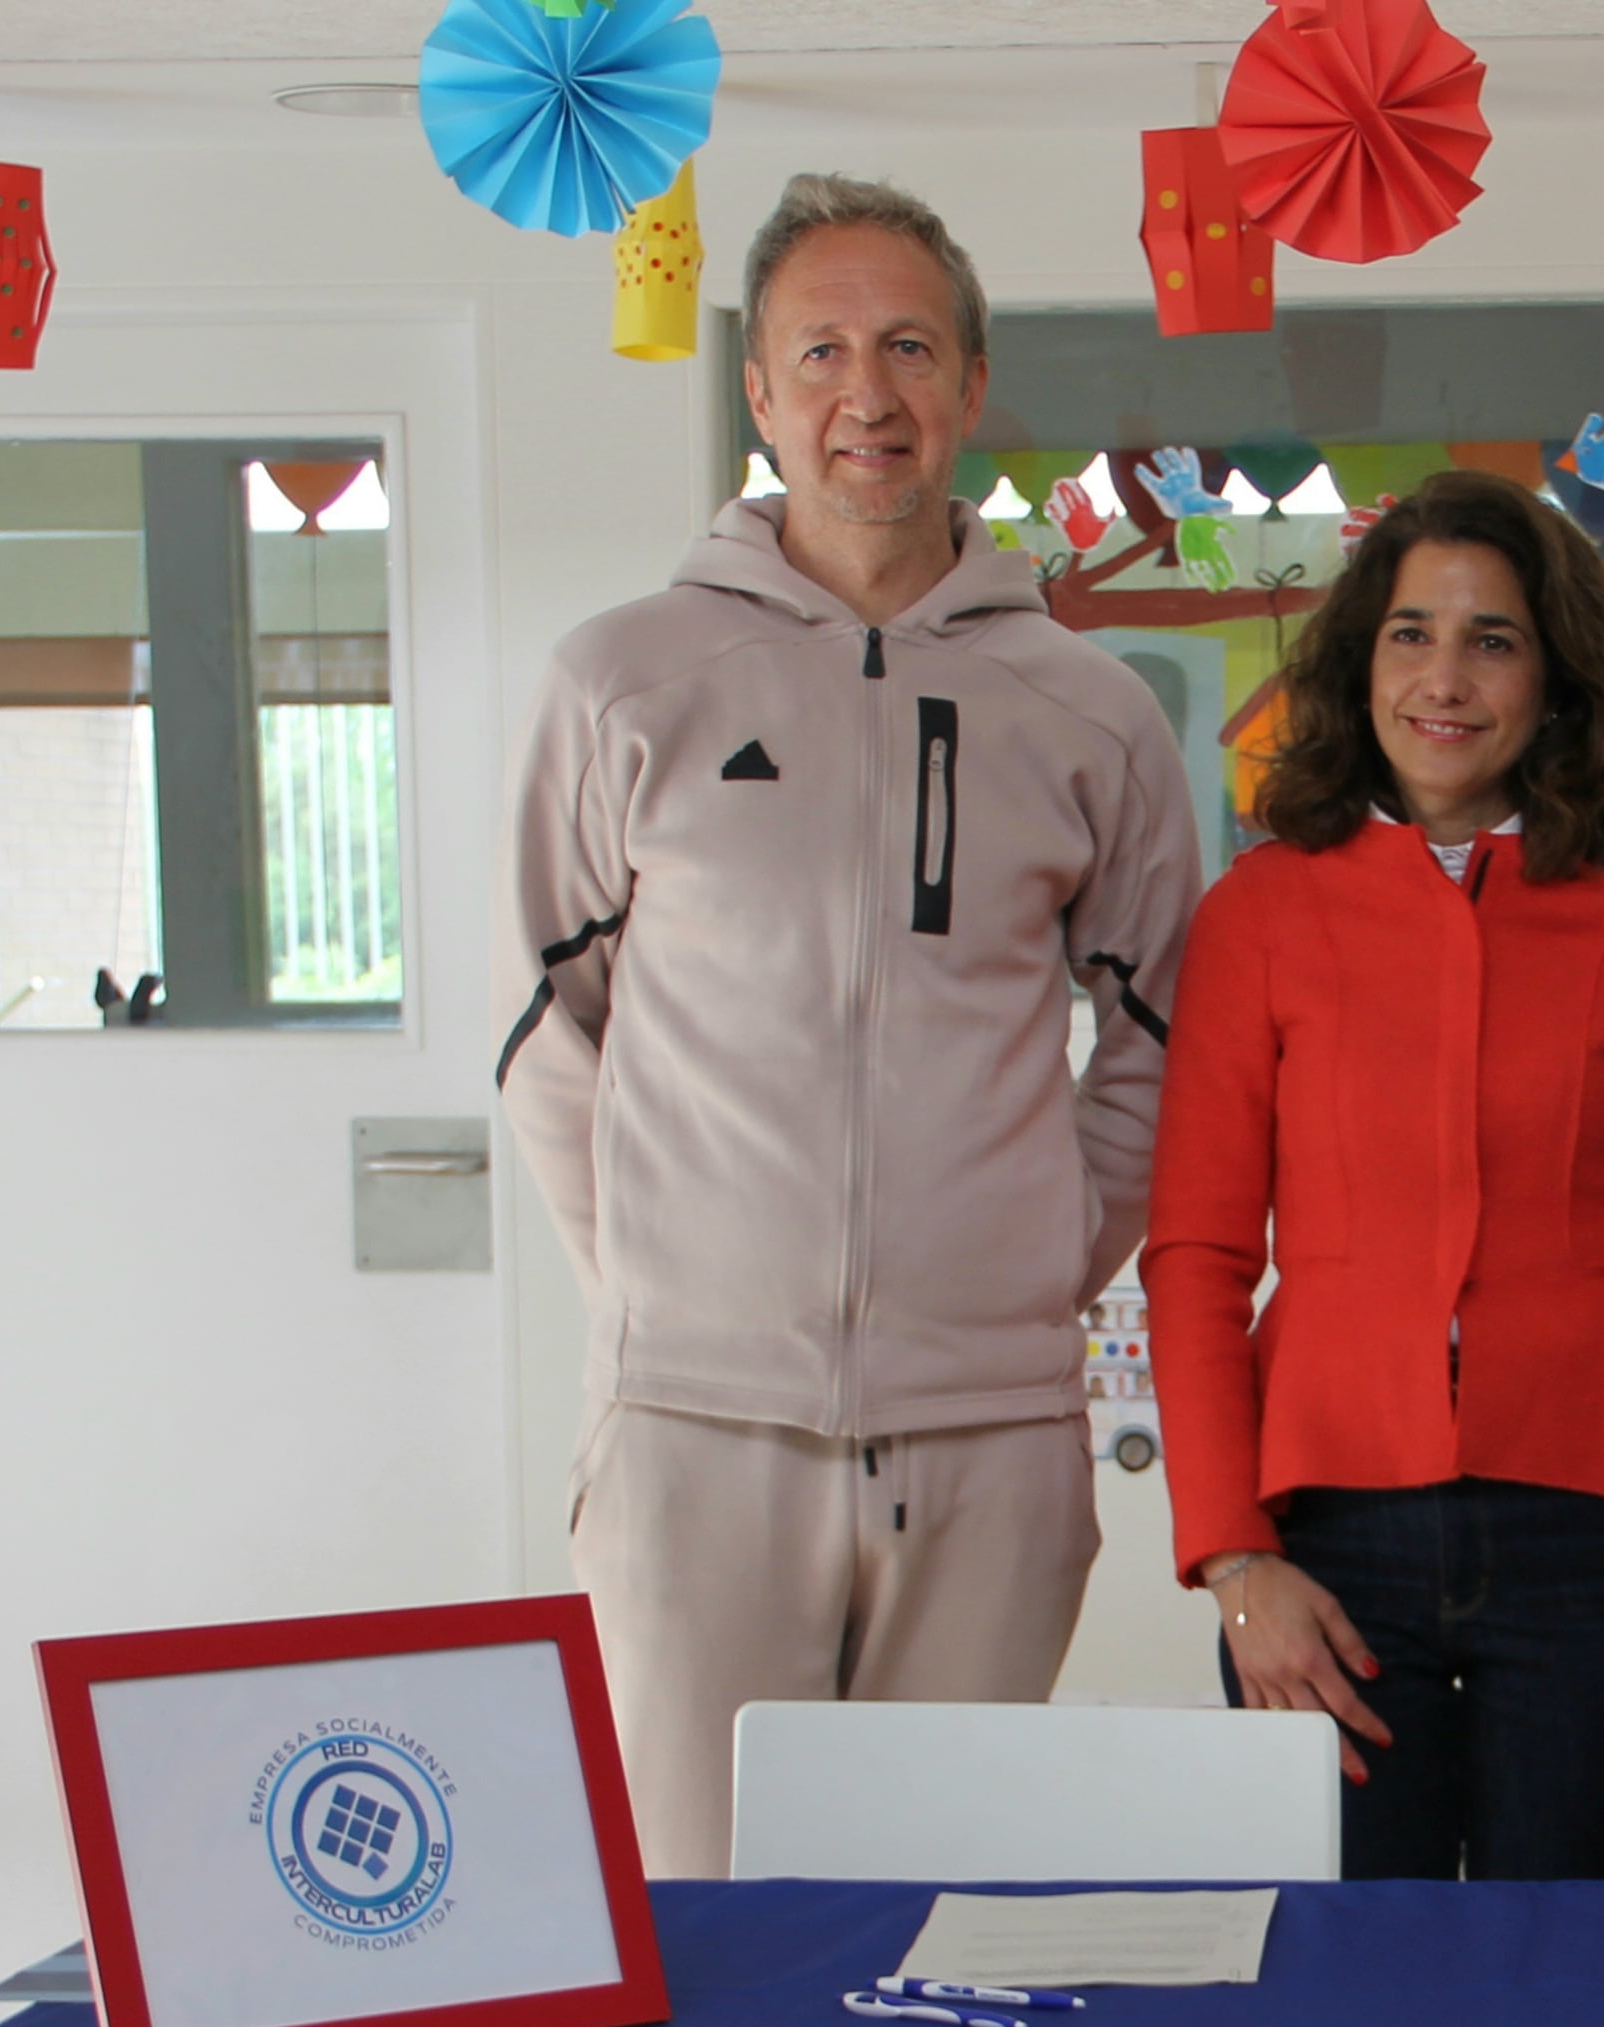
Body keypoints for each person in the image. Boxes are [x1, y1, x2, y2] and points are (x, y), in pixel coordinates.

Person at [495, 174, 1201, 1876]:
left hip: (989, 1444)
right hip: (692, 1436)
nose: (863, 394)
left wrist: (1029, 1265)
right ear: (757, 390)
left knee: (927, 1930)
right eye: (818, 350)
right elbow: (552, 1031)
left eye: (905, 347)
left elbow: (1159, 1044)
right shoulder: (624, 680)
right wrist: (671, 1292)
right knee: (696, 1935)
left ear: (968, 383)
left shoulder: (1091, 712)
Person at [1142, 473, 1604, 1878]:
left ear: (1556, 676)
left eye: (1493, 640)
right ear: (1360, 660)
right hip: (1326, 1546)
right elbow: (1198, 1258)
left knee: (1562, 1976)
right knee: (1359, 1983)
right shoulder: (1259, 914)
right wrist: (1231, 1561)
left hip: (1596, 1539)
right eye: (1411, 634)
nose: (1444, 680)